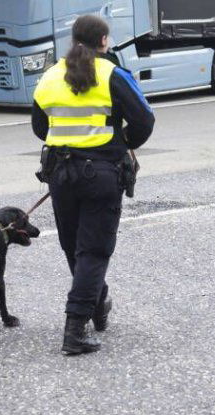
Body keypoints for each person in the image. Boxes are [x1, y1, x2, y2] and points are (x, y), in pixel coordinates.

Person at [32, 14, 154, 355]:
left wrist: (69, 139)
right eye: (109, 39)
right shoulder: (113, 74)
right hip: (101, 174)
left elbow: (40, 127)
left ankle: (97, 304)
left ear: (74, 40)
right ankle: (74, 329)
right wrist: (121, 139)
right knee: (94, 251)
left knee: (75, 249)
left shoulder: (50, 77)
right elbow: (145, 118)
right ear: (103, 41)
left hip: (62, 174)